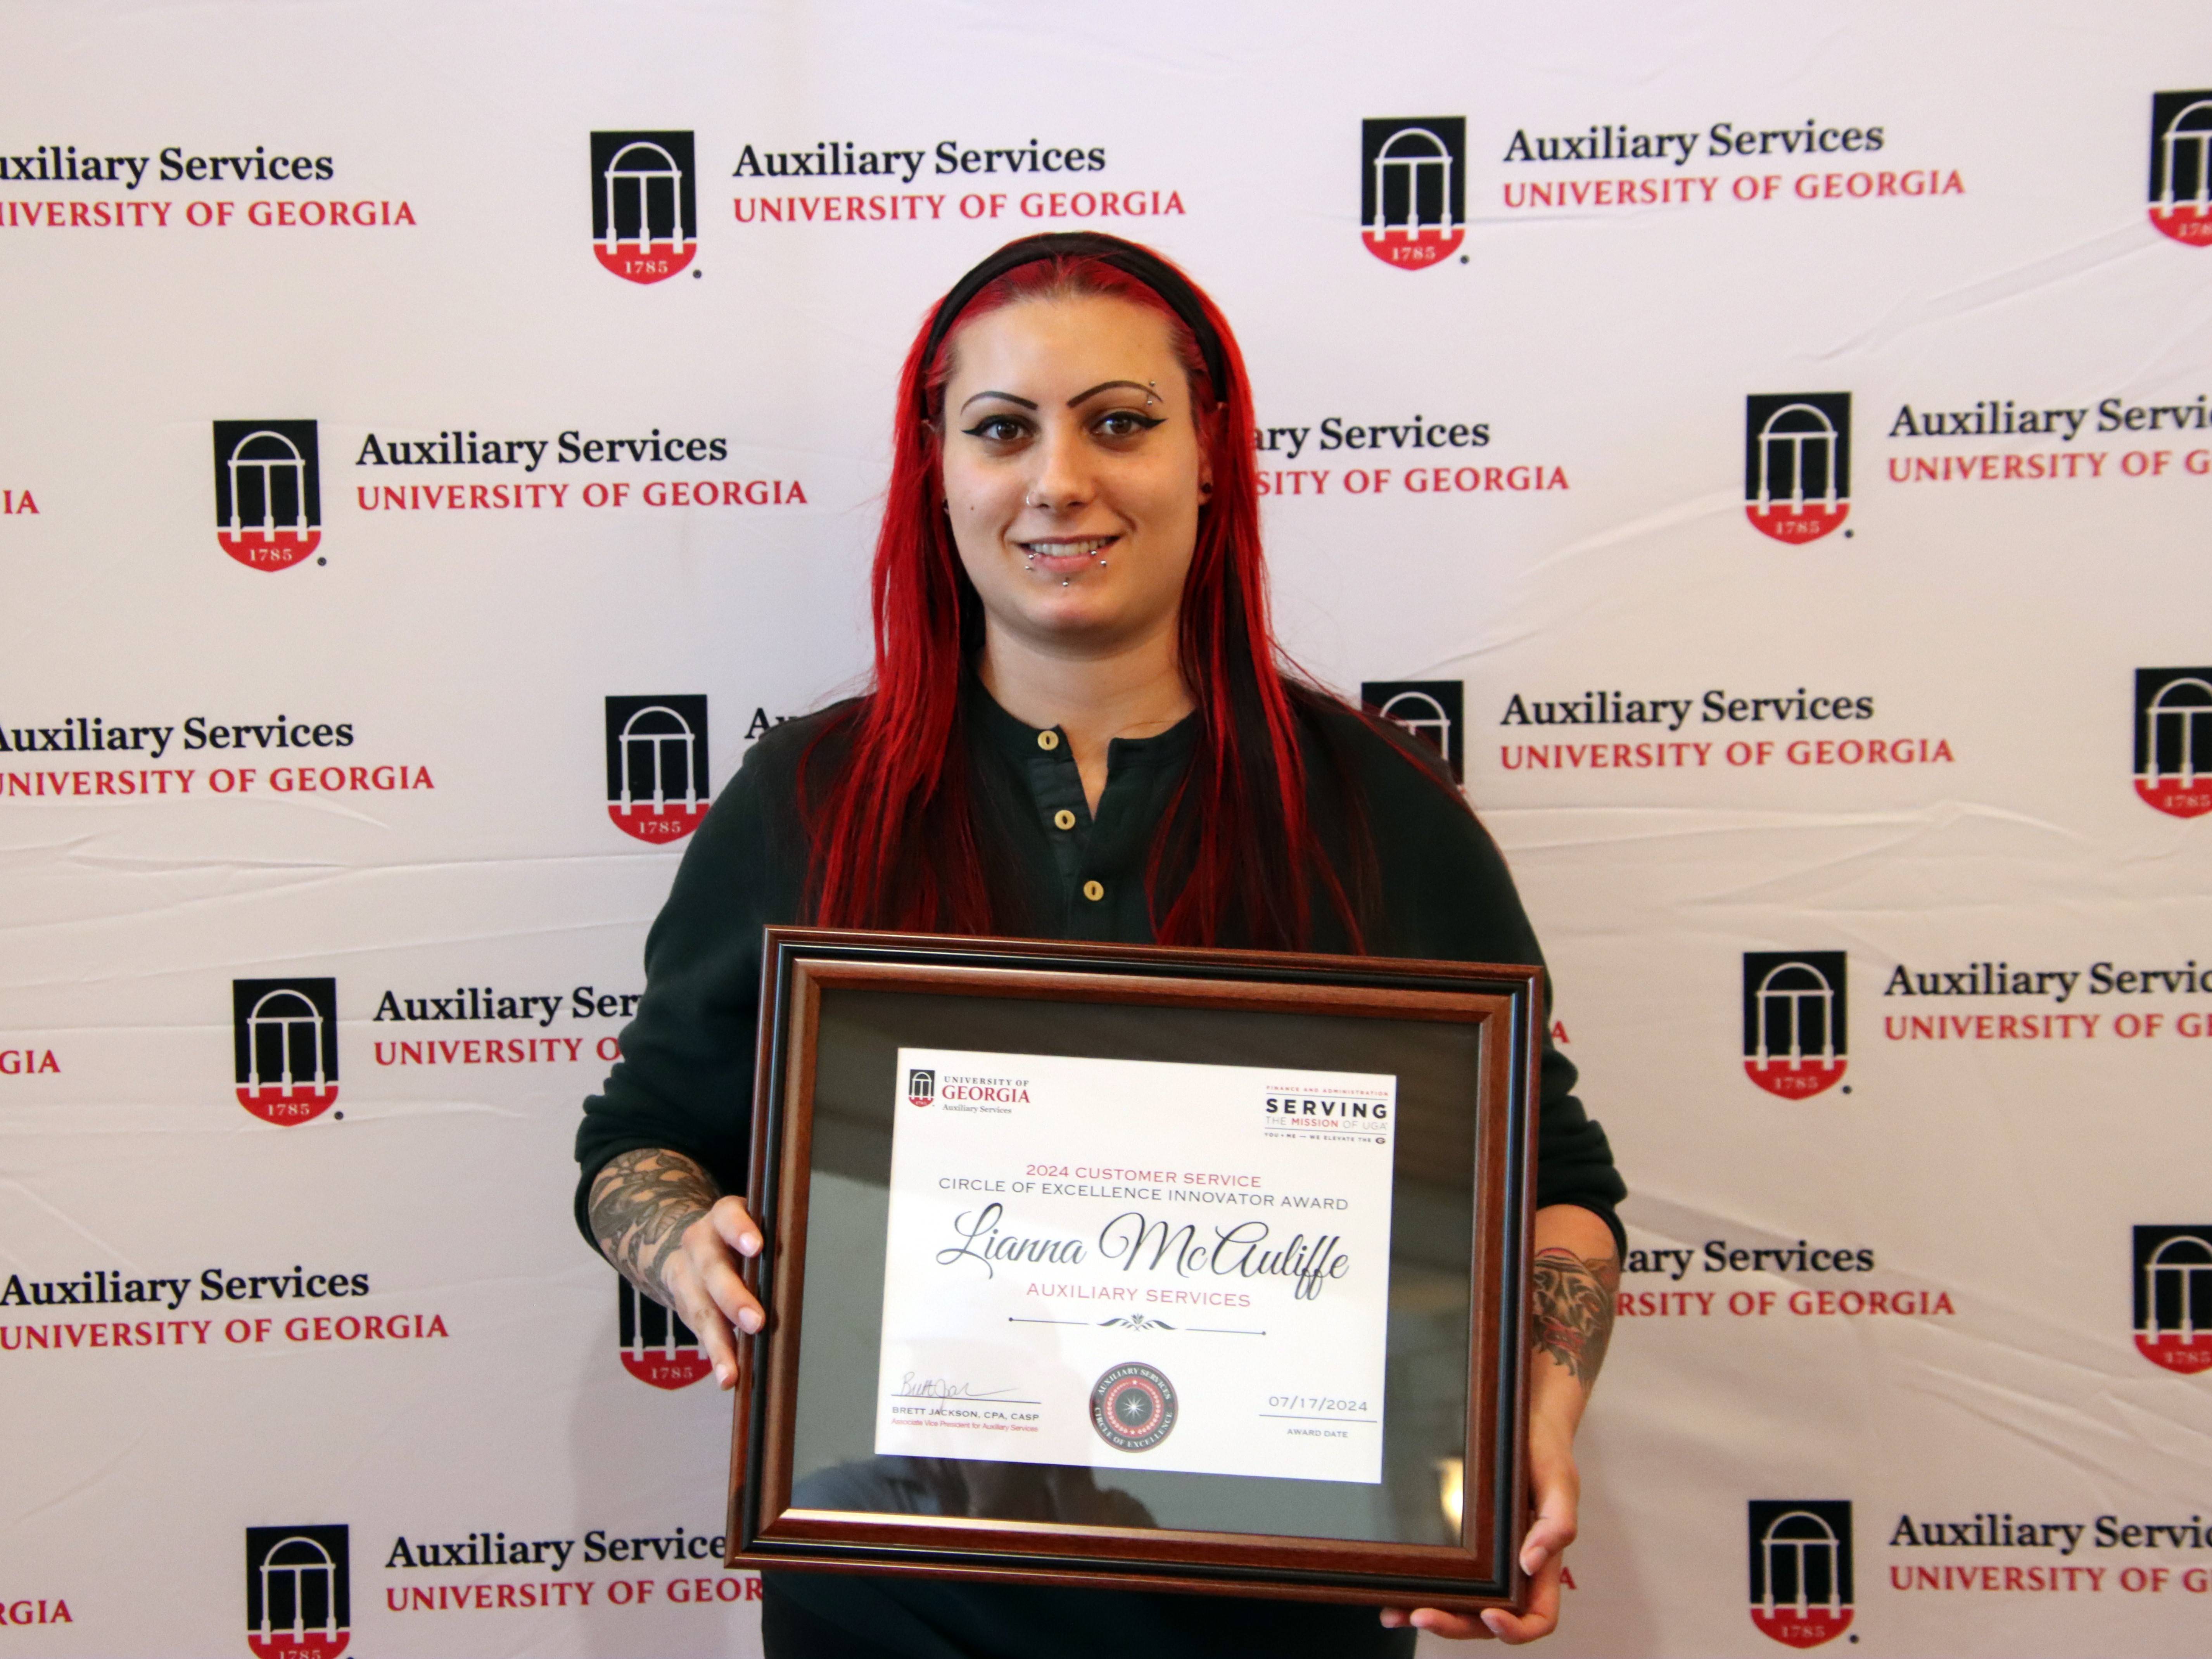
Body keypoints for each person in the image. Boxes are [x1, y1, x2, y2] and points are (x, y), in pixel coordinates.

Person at [575, 230, 1624, 1656]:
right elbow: (636, 1146)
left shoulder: (1381, 814)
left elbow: (1555, 1191)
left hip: (1273, 1621)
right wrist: (686, 1245)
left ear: (1209, 457)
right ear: (939, 470)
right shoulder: (805, 803)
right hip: (889, 1613)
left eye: (1119, 423)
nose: (1059, 480)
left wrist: (1525, 1427)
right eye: (1002, 429)